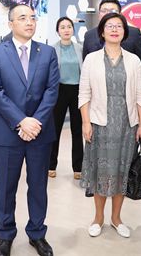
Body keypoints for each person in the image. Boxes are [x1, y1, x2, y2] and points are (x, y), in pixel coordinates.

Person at [0, 4, 59, 256]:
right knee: (6, 187)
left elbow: (52, 91)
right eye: (23, 18)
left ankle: (37, 233)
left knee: (38, 186)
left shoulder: (47, 52)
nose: (29, 22)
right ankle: (5, 234)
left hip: (40, 131)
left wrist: (35, 121)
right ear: (10, 24)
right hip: (7, 132)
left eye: (33, 18)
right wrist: (21, 121)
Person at [79, 12, 141, 239]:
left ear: (124, 32)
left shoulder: (133, 60)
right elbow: (84, 93)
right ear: (102, 31)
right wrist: (86, 123)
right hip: (100, 124)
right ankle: (98, 218)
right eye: (110, 26)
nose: (115, 29)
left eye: (119, 26)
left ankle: (116, 219)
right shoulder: (91, 59)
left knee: (121, 172)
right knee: (101, 173)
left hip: (127, 125)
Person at [50, 17, 83, 180]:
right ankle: (50, 165)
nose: (66, 30)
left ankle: (78, 167)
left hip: (78, 91)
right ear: (58, 31)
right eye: (62, 27)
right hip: (59, 90)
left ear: (73, 30)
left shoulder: (80, 48)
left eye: (69, 26)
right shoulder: (52, 49)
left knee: (77, 130)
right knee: (55, 129)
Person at [82, 0, 141, 72]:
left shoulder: (134, 34)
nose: (108, 14)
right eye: (104, 11)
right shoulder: (89, 35)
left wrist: (131, 76)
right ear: (99, 14)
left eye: (113, 11)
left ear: (120, 14)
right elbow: (86, 63)